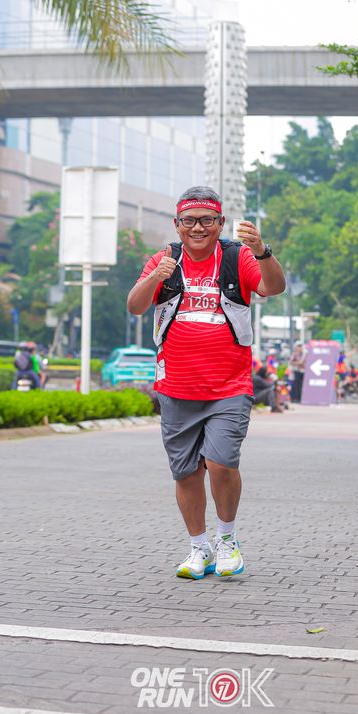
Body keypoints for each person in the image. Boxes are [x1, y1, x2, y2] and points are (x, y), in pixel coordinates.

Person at [127, 186, 285, 580]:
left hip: (229, 387)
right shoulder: (164, 260)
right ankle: (199, 548)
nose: (198, 228)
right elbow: (135, 306)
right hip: (176, 388)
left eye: (207, 220)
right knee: (185, 473)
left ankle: (227, 539)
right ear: (177, 224)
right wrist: (156, 277)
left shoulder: (237, 257)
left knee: (221, 462)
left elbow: (273, 287)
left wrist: (262, 251)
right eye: (189, 221)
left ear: (220, 223)